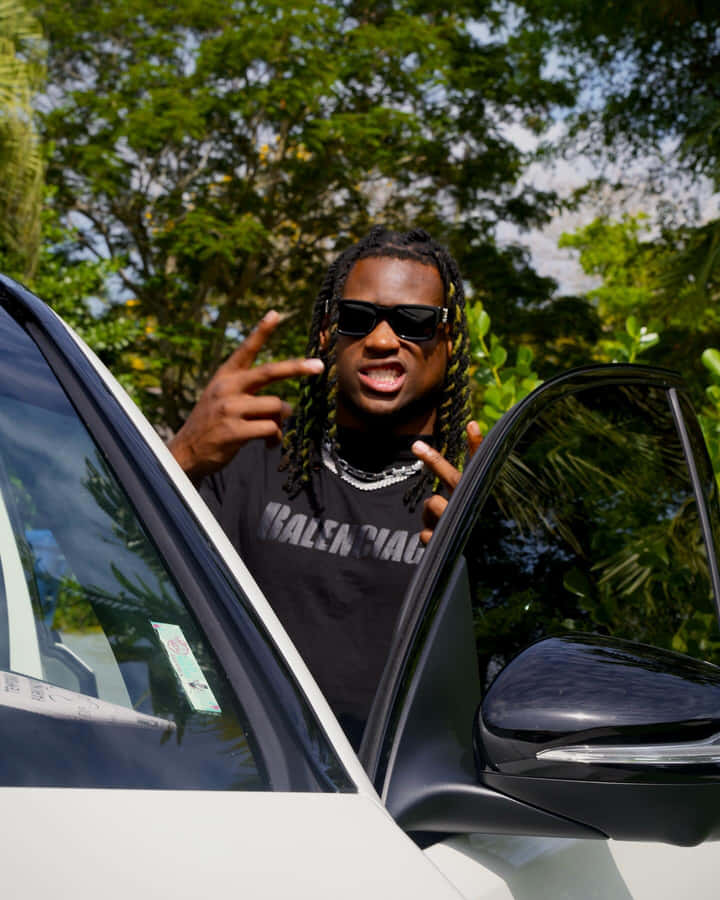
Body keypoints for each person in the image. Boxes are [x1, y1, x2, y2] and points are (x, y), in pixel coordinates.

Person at [169, 226, 481, 747]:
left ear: (448, 345)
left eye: (415, 324)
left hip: (399, 807)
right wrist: (183, 456)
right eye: (357, 320)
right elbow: (95, 564)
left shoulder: (470, 495)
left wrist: (479, 558)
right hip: (228, 774)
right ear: (325, 334)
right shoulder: (246, 452)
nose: (382, 340)